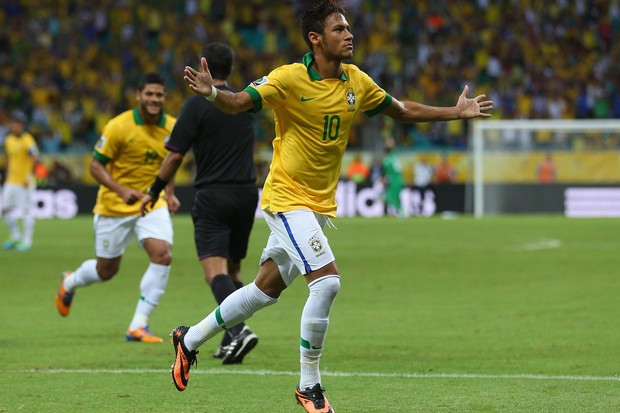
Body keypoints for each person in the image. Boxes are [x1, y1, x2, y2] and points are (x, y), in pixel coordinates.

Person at [172, 1, 493, 411]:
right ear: (316, 39)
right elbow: (237, 103)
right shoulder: (288, 79)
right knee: (327, 283)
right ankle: (309, 385)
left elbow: (400, 110)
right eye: (339, 29)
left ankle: (189, 339)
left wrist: (455, 111)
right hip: (286, 199)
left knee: (264, 290)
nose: (349, 35)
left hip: (318, 205)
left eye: (348, 28)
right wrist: (212, 93)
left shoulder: (355, 81)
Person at [140, 43, 259, 364]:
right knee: (233, 270)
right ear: (230, 70)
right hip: (247, 195)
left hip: (213, 196)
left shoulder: (195, 107)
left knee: (213, 272)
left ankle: (239, 331)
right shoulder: (244, 103)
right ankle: (230, 340)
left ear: (204, 67)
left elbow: (175, 155)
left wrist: (153, 190)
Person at [55, 72, 179, 343]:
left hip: (151, 203)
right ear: (138, 96)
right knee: (106, 271)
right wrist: (121, 191)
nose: (154, 99)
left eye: (159, 94)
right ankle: (71, 281)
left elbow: (171, 163)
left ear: (164, 98)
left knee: (163, 255)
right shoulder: (118, 126)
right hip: (114, 205)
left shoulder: (172, 126)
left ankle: (138, 325)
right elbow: (95, 165)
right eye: (149, 94)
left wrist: (168, 193)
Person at [1, 111, 39, 252]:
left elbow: (35, 158)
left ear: (22, 125)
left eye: (17, 124)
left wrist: (29, 176)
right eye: (13, 123)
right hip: (11, 180)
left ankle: (27, 242)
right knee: (5, 209)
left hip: (25, 182)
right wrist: (5, 175)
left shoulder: (27, 139)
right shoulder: (9, 139)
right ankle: (16, 236)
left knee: (27, 210)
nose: (14, 126)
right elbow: (9, 159)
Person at [382, 137, 404, 217]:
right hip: (393, 180)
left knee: (391, 198)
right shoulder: (389, 156)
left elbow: (393, 170)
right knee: (392, 197)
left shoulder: (393, 155)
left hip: (396, 179)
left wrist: (387, 178)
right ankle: (399, 213)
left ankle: (401, 212)